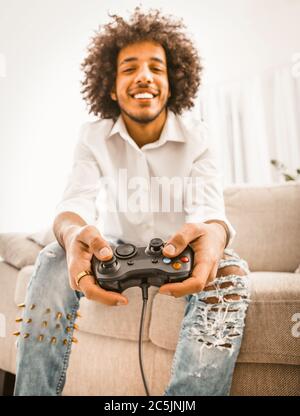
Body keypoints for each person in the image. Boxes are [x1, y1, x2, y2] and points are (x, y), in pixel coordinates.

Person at [13, 8, 250, 396]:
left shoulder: (198, 136)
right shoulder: (93, 135)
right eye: (129, 69)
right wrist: (73, 235)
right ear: (110, 86)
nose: (144, 76)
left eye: (156, 68)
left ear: (172, 84)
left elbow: (210, 212)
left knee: (229, 268)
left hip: (182, 254)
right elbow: (75, 203)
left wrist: (213, 234)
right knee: (54, 257)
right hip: (115, 253)